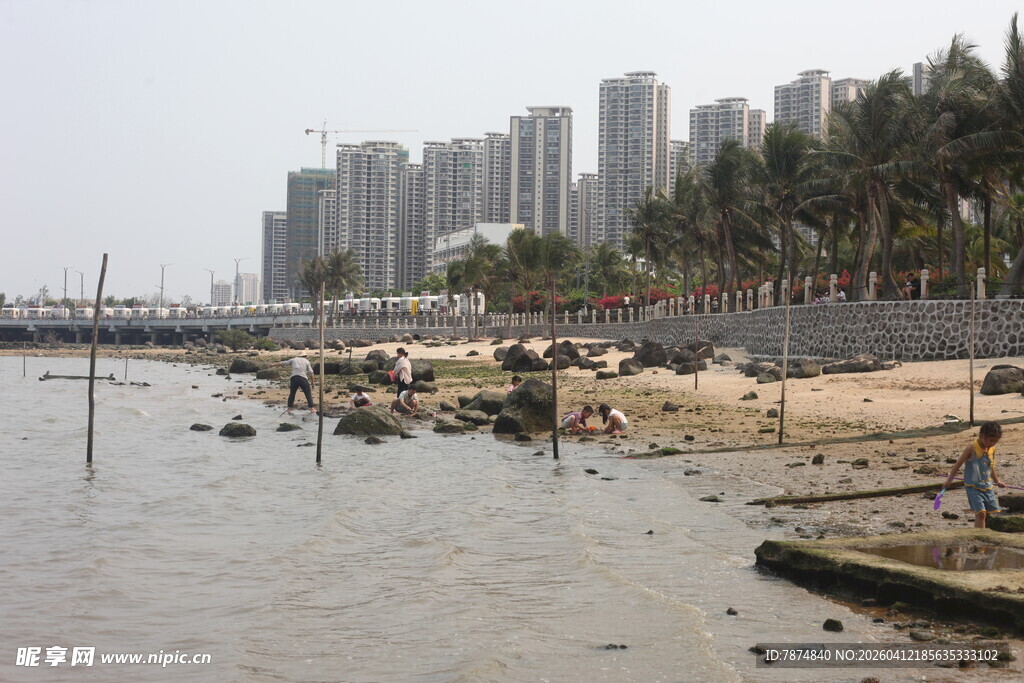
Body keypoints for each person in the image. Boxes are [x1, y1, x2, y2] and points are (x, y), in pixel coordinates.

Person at [943, 422, 1006, 528]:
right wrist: (949, 480)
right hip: (973, 487)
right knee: (981, 513)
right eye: (991, 440)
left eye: (996, 441)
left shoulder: (992, 449)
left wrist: (997, 481)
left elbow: (990, 468)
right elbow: (957, 465)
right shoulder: (971, 448)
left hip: (988, 487)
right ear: (982, 436)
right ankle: (979, 537)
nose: (993, 443)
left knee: (991, 513)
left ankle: (987, 537)